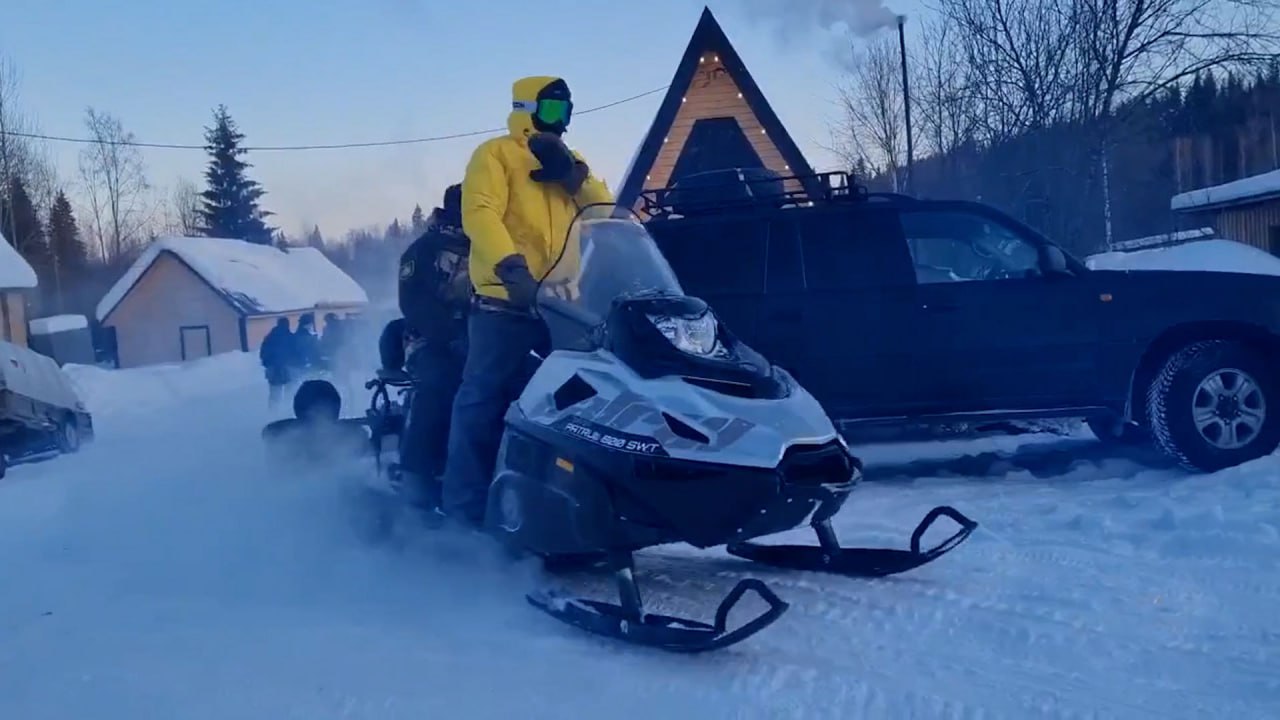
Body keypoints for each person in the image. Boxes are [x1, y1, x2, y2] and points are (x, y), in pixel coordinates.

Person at [440, 75, 613, 528]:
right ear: (528, 108)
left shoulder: (571, 162)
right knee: (482, 398)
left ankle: (571, 502)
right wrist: (511, 267)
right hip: (506, 302)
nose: (561, 121)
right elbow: (480, 212)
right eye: (552, 110)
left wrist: (574, 178)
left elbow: (606, 214)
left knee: (579, 401)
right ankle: (463, 511)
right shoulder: (495, 154)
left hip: (563, 305)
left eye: (566, 111)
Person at [394, 183, 473, 511]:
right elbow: (414, 303)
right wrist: (451, 336)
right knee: (440, 383)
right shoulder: (423, 251)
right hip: (428, 341)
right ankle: (417, 475)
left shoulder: (492, 247)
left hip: (486, 338)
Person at [260, 317, 296, 408]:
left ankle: (273, 411)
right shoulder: (290, 337)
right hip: (287, 367)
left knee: (275, 392)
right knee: (290, 391)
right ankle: (288, 409)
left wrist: (267, 364)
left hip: (273, 368)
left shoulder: (269, 337)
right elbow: (296, 352)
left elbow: (263, 353)